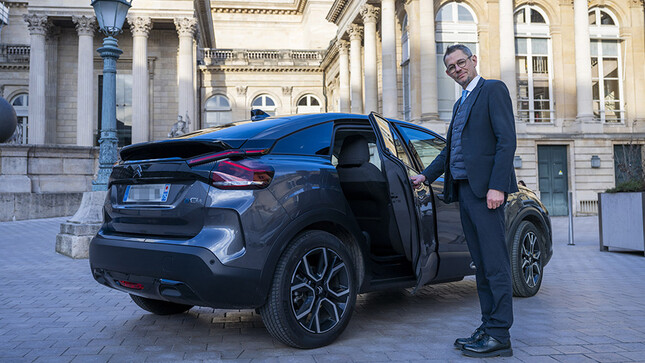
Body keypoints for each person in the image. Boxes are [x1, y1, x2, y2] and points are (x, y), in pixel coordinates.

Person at [411, 44, 518, 358]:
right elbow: (449, 150)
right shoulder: (460, 105)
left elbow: (506, 140)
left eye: (461, 63)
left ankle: (500, 336)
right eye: (451, 67)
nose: (458, 69)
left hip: (487, 192)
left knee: (495, 264)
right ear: (447, 73)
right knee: (481, 265)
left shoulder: (492, 90)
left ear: (474, 60)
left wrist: (497, 187)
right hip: (465, 192)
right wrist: (425, 176)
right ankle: (489, 326)